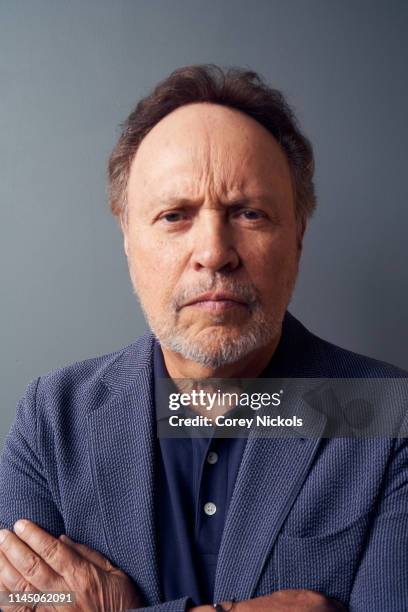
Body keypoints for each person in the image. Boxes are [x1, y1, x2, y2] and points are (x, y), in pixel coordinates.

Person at [0, 64, 407, 612]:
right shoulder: (54, 418)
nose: (214, 252)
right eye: (174, 215)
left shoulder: (390, 416)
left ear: (299, 238)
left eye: (250, 213)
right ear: (127, 240)